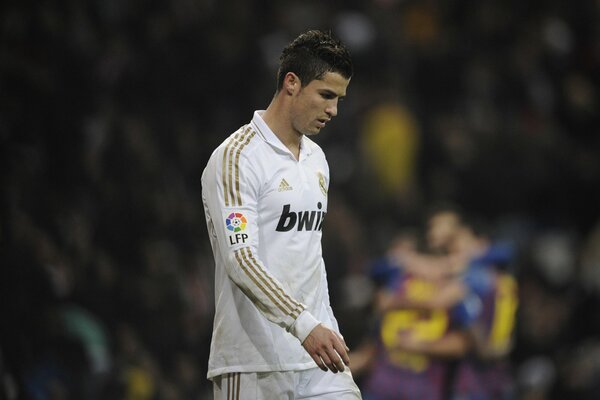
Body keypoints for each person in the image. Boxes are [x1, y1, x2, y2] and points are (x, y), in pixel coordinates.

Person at [201, 30, 361, 399]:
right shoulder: (236, 158)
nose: (333, 110)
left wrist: (320, 326)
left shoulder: (317, 159)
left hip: (320, 356)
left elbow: (306, 257)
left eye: (339, 99)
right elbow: (240, 259)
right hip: (254, 361)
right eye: (326, 95)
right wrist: (304, 325)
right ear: (292, 83)